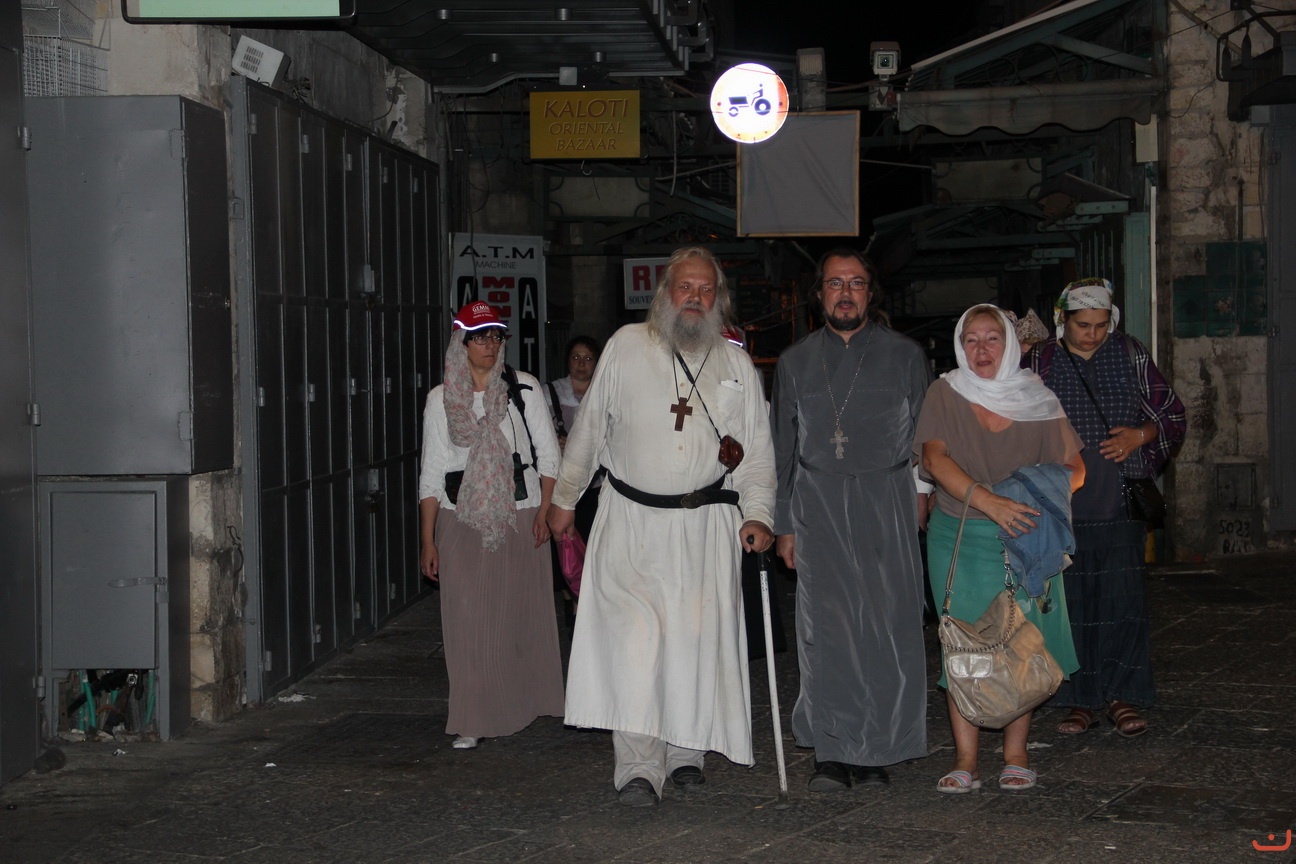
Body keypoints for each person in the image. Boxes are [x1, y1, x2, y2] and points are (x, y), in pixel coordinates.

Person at [547, 246, 776, 808]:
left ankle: (686, 752)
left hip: (704, 528)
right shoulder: (627, 346)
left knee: (692, 643)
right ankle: (638, 766)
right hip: (630, 524)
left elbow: (756, 454)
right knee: (634, 645)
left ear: (718, 299)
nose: (695, 297)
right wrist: (565, 498)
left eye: (705, 289)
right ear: (665, 294)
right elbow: (589, 429)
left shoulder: (736, 366)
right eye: (685, 287)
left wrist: (758, 514)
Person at [769, 247, 932, 791]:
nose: (845, 293)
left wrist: (922, 494)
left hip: (888, 499)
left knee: (886, 626)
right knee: (829, 630)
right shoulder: (794, 361)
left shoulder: (906, 355)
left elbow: (926, 437)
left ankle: (876, 746)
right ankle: (833, 749)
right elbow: (782, 450)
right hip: (818, 504)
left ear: (870, 292)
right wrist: (784, 523)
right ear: (819, 294)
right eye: (835, 283)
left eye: (856, 283)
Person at [915, 304, 1085, 793]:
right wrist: (990, 502)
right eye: (971, 339)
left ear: (1010, 344)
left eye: (993, 338)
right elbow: (933, 458)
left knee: (1020, 643)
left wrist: (1030, 496)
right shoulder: (945, 392)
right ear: (959, 345)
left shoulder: (1038, 399)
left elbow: (1076, 470)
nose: (982, 348)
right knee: (962, 643)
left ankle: (1016, 754)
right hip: (959, 536)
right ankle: (965, 759)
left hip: (1022, 537)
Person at [1026, 277, 1186, 738]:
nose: (1092, 334)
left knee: (1122, 603)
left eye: (1100, 325)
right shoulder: (1040, 361)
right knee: (1071, 606)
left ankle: (1121, 696)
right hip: (1061, 506)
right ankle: (1079, 701)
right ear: (1064, 320)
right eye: (1083, 325)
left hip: (1118, 501)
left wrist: (1141, 435)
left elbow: (1172, 414)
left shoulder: (1130, 353)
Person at [417, 301, 565, 750]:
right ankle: (474, 716)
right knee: (466, 621)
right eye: (479, 337)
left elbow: (548, 455)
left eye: (496, 336)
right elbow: (431, 472)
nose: (489, 345)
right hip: (459, 516)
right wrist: (427, 539)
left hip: (520, 514)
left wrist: (545, 510)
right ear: (460, 344)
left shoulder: (524, 389)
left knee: (517, 618)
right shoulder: (441, 399)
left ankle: (524, 702)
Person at [543, 336, 603, 612]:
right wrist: (554, 443)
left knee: (589, 545)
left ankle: (584, 605)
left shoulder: (604, 394)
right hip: (560, 483)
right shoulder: (550, 394)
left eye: (588, 358)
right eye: (576, 357)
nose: (581, 364)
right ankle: (571, 605)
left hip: (594, 486)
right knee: (562, 545)